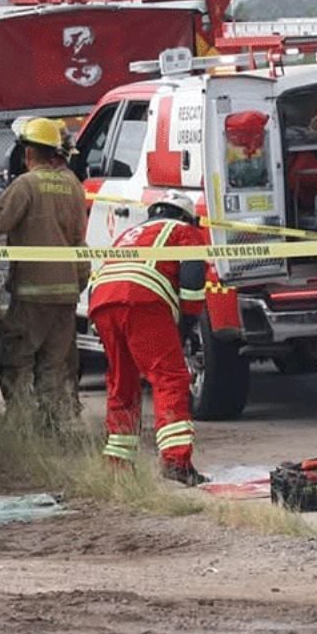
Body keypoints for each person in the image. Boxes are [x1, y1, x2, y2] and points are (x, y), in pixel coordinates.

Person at [88, 190, 209, 486]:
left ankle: (118, 464)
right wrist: (185, 324)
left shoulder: (131, 233)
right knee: (171, 378)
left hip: (102, 304)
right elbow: (193, 286)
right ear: (185, 216)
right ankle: (175, 461)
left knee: (122, 381)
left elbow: (103, 275)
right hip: (142, 301)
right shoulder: (185, 232)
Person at [0, 117, 89, 425]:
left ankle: (22, 427)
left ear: (28, 153)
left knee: (16, 358)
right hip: (67, 292)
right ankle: (55, 428)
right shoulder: (73, 185)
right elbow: (78, 238)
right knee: (54, 365)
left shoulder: (26, 185)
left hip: (33, 293)